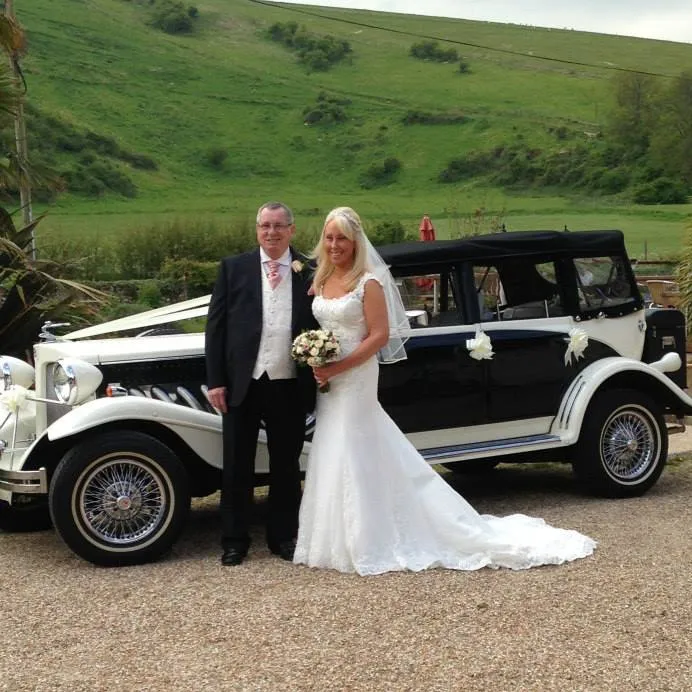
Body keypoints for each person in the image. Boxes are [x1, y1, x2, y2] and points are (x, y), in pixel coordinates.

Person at [293, 206, 596, 575]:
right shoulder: (322, 279)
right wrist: (317, 359)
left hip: (355, 374)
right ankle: (333, 539)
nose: (335, 244)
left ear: (356, 242)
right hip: (330, 377)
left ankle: (368, 539)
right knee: (333, 446)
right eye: (330, 237)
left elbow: (379, 336)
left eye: (342, 237)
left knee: (355, 443)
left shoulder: (368, 281)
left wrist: (338, 365)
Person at [205, 201, 317, 566]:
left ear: (291, 230)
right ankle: (234, 540)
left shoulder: (311, 271)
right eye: (265, 226)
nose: (271, 232)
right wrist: (216, 381)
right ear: (257, 229)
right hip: (243, 381)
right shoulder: (233, 268)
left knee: (286, 464)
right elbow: (216, 329)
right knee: (237, 463)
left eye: (279, 226)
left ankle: (283, 536)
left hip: (288, 381)